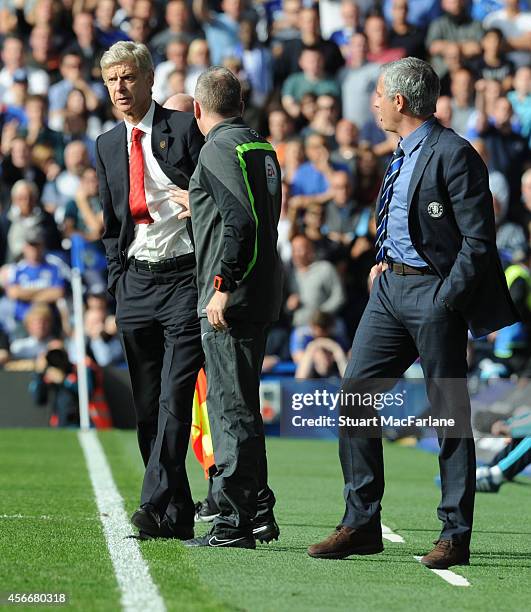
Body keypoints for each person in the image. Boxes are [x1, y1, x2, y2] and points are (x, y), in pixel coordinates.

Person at [307, 58, 519, 569]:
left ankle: (455, 534)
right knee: (356, 396)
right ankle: (360, 524)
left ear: (399, 102)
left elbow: (478, 240)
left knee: (448, 413)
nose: (374, 103)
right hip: (389, 290)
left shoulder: (455, 154)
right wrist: (385, 262)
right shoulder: (399, 152)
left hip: (433, 295)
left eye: (379, 95)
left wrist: (446, 299)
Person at [95, 41, 205, 541]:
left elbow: (218, 192)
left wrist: (198, 204)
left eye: (128, 77)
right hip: (136, 282)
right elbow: (111, 221)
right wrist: (118, 282)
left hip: (185, 277)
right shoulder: (104, 144)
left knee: (174, 398)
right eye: (111, 79)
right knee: (145, 405)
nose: (120, 88)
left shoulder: (183, 129)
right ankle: (177, 512)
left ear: (149, 79)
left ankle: (151, 502)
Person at [184, 66, 283, 548]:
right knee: (241, 400)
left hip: (231, 296)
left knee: (229, 406)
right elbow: (252, 212)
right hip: (262, 289)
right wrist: (198, 203)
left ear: (198, 109)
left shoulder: (216, 148)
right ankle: (259, 509)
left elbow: (240, 222)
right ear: (241, 106)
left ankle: (234, 519)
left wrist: (222, 283)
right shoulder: (258, 145)